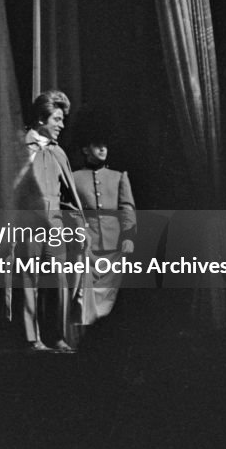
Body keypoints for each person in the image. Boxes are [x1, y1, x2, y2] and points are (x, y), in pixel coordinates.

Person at [15, 90, 86, 353]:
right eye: (57, 119)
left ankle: (56, 336)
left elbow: (68, 197)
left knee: (57, 282)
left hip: (54, 228)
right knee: (28, 280)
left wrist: (79, 226)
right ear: (42, 119)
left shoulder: (58, 153)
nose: (61, 125)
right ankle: (31, 339)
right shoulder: (21, 148)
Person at [73, 137, 136, 324]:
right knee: (86, 294)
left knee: (109, 294)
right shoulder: (73, 177)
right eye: (97, 145)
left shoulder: (119, 176)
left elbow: (127, 208)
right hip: (86, 245)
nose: (102, 149)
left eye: (105, 145)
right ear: (85, 149)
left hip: (114, 244)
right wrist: (79, 233)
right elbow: (72, 211)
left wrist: (128, 236)